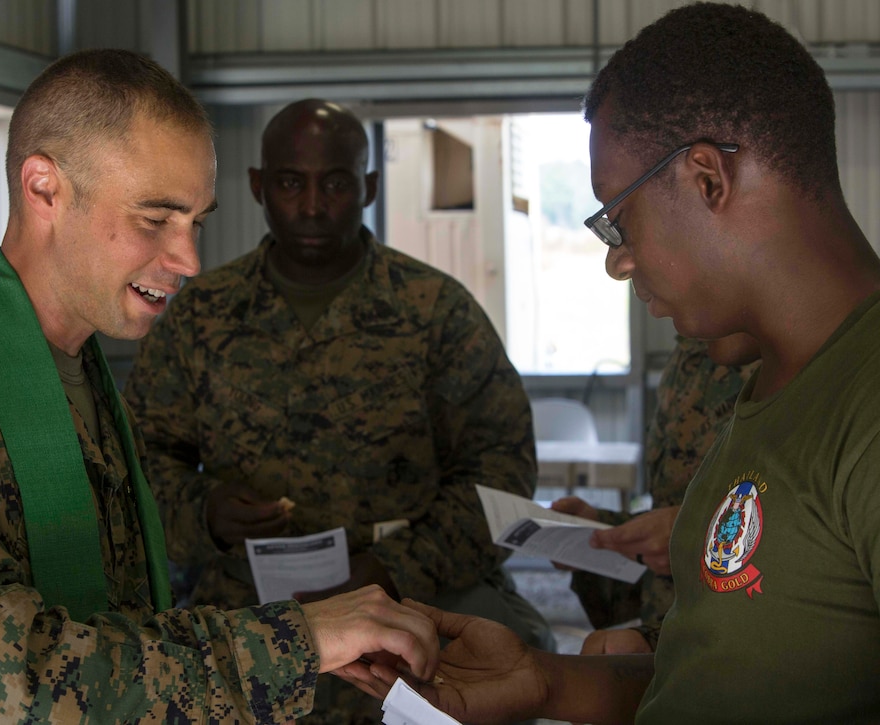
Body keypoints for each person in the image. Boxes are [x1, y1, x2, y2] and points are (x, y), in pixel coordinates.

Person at [0, 50, 440, 724]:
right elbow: (0, 689)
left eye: (195, 220)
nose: (189, 258)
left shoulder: (76, 367)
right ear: (44, 188)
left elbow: (118, 622)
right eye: (154, 219)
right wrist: (296, 640)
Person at [358, 4, 880, 722]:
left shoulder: (866, 401)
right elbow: (734, 671)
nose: (618, 261)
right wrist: (543, 679)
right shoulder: (771, 388)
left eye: (620, 218)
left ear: (706, 180)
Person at [124, 98, 553, 722]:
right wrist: (206, 512)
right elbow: (138, 461)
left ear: (369, 187)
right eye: (292, 183)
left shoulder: (436, 312)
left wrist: (391, 567)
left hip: (407, 632)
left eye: (336, 182)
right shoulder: (200, 316)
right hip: (249, 637)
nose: (314, 205)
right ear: (258, 187)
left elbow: (502, 481)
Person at [554, 333, 760, 654]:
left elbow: (805, 529)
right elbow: (675, 507)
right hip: (676, 635)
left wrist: (696, 535)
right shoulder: (691, 350)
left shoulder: (781, 353)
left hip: (739, 647)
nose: (630, 282)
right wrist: (605, 526)